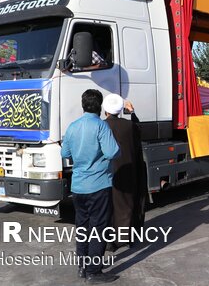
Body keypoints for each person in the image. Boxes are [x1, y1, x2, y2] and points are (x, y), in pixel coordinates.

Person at [61, 89, 120, 284]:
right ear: (100, 106)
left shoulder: (72, 126)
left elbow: (65, 153)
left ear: (83, 104)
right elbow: (112, 152)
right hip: (99, 185)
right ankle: (94, 271)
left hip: (78, 187)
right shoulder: (101, 127)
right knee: (98, 228)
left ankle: (82, 266)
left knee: (82, 227)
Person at [102, 94, 147, 251]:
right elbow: (139, 130)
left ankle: (109, 241)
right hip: (128, 169)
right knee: (126, 204)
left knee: (109, 206)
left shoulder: (101, 126)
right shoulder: (129, 126)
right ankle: (125, 238)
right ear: (120, 109)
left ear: (104, 109)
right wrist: (132, 112)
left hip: (107, 172)